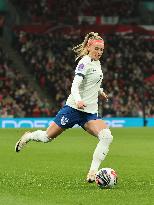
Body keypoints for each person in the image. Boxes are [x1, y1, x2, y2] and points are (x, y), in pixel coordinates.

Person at [15, 32, 113, 183]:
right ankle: (28, 136)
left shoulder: (97, 63)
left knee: (106, 136)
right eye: (97, 49)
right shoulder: (84, 62)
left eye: (102, 50)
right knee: (47, 137)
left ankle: (93, 172)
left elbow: (93, 82)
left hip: (90, 114)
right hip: (73, 109)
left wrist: (101, 92)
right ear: (89, 47)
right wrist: (79, 100)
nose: (99, 52)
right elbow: (75, 85)